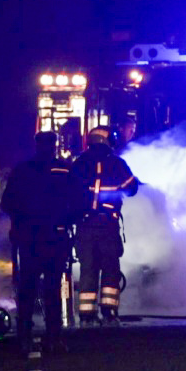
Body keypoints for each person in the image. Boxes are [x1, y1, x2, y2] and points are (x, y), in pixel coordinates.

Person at [1, 131, 76, 353]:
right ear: (55, 146)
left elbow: (7, 203)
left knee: (27, 287)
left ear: (36, 145)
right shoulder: (65, 170)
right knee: (53, 288)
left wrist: (20, 223)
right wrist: (67, 220)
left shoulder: (23, 170)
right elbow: (81, 201)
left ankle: (24, 336)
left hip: (29, 237)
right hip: (56, 236)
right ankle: (54, 337)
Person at [70, 126, 139, 326]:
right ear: (108, 141)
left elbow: (68, 192)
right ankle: (109, 313)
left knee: (88, 268)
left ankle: (86, 315)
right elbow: (131, 189)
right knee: (110, 268)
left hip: (84, 225)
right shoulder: (117, 163)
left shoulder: (79, 163)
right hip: (108, 225)